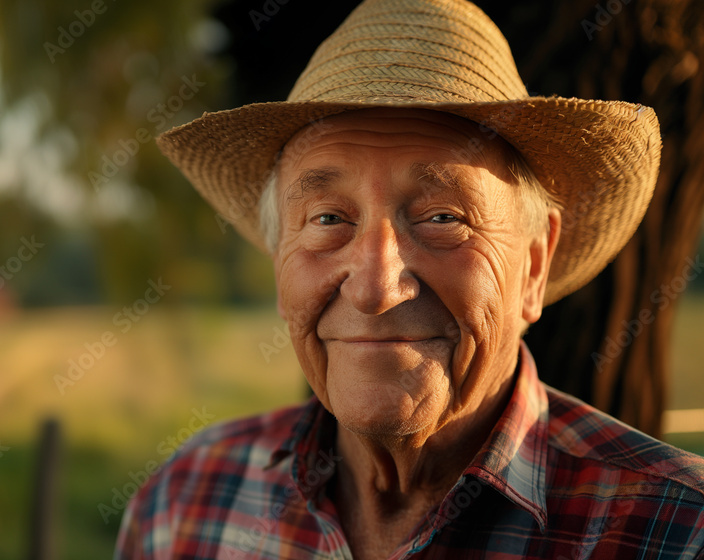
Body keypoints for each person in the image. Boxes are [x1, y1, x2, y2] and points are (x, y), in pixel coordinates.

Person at [115, 0, 704, 557]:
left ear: (534, 263)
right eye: (327, 219)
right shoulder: (184, 503)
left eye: (443, 218)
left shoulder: (677, 530)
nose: (374, 288)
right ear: (279, 263)